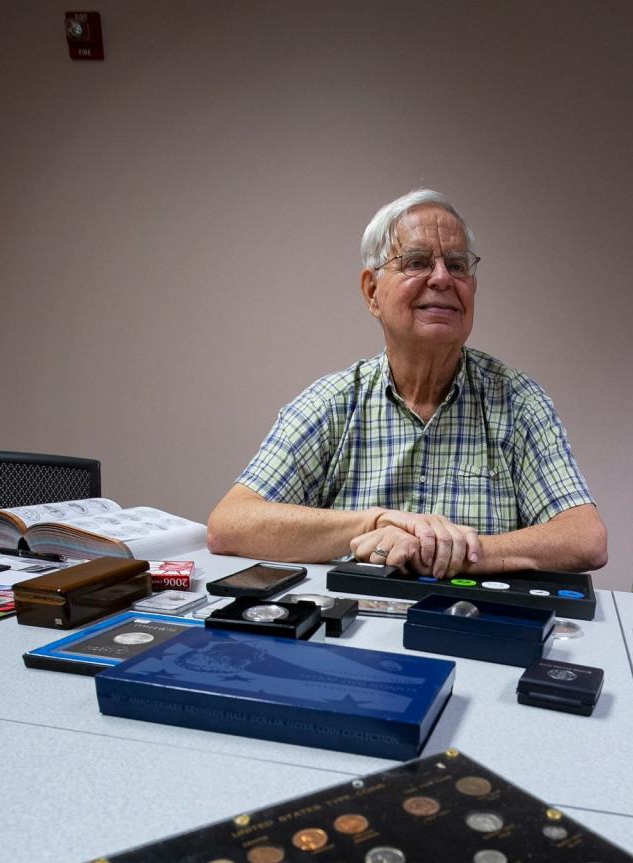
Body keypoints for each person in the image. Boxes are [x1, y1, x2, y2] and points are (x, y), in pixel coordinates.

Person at [207, 190, 608, 579]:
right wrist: (374, 523)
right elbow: (230, 524)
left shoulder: (517, 402)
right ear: (372, 292)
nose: (442, 278)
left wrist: (465, 551)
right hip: (350, 634)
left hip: (475, 630)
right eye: (416, 262)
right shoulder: (333, 403)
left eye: (457, 264)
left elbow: (585, 538)